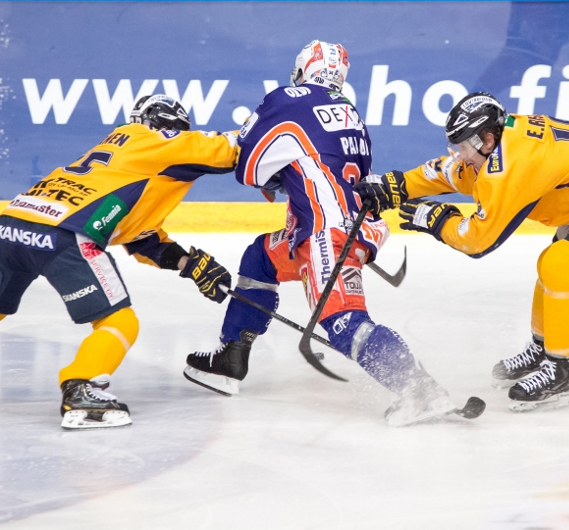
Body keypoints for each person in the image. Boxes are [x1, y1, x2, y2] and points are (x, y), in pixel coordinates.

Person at [182, 40, 484, 426]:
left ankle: (419, 389)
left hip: (327, 234)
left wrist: (269, 172)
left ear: (301, 70)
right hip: (337, 227)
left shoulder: (287, 99)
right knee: (259, 257)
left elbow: (248, 169)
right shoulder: (350, 113)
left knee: (344, 324)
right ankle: (230, 357)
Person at [0, 95, 237, 429]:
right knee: (120, 321)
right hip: (65, 232)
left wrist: (188, 264)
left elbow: (141, 237)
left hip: (14, 221)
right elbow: (233, 146)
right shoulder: (159, 141)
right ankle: (80, 390)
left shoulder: (125, 159)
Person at [357, 92, 569, 412]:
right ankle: (544, 349)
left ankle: (560, 370)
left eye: (464, 146)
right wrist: (393, 186)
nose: (460, 154)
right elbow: (453, 171)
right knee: (552, 265)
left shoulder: (513, 165)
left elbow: (477, 241)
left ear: (486, 139)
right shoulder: (501, 143)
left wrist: (437, 219)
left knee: (561, 263)